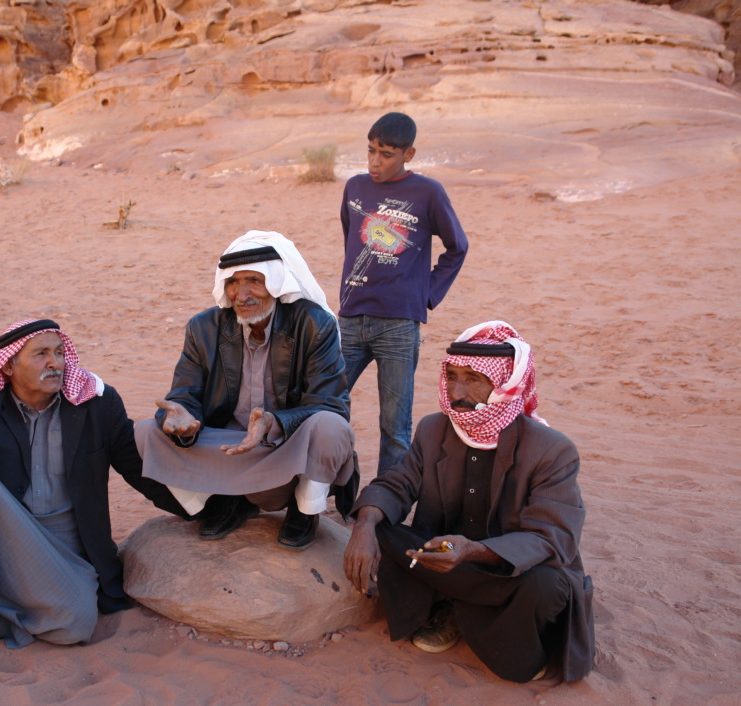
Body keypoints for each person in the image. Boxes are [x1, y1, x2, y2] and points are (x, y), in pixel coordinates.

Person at [0, 318, 187, 647]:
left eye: (58, 352)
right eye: (40, 354)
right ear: (9, 366)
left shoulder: (97, 403)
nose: (55, 362)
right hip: (6, 530)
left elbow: (138, 467)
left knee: (75, 624)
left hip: (68, 542)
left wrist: (202, 506)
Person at [343, 321, 594, 683]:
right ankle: (453, 604)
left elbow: (554, 537)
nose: (458, 392)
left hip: (507, 569)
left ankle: (461, 611)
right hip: (443, 558)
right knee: (381, 529)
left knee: (547, 586)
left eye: (474, 379)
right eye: (453, 377)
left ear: (505, 383)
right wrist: (364, 525)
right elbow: (398, 483)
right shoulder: (433, 429)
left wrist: (474, 551)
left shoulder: (552, 449)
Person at [135, 230, 357, 551]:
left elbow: (331, 405)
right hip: (225, 450)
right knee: (146, 433)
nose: (242, 295)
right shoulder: (204, 327)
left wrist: (273, 423)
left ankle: (305, 510)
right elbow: (185, 394)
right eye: (233, 283)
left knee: (332, 426)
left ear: (277, 282)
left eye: (254, 280)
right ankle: (220, 505)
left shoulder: (313, 324)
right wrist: (182, 416)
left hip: (284, 450)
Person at [338, 111, 468, 477]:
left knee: (394, 425)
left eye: (386, 154)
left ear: (408, 154)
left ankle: (385, 507)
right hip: (349, 319)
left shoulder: (428, 192)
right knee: (324, 404)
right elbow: (352, 235)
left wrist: (426, 292)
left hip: (398, 325)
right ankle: (338, 484)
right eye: (371, 151)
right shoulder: (355, 187)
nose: (375, 161)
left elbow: (457, 247)